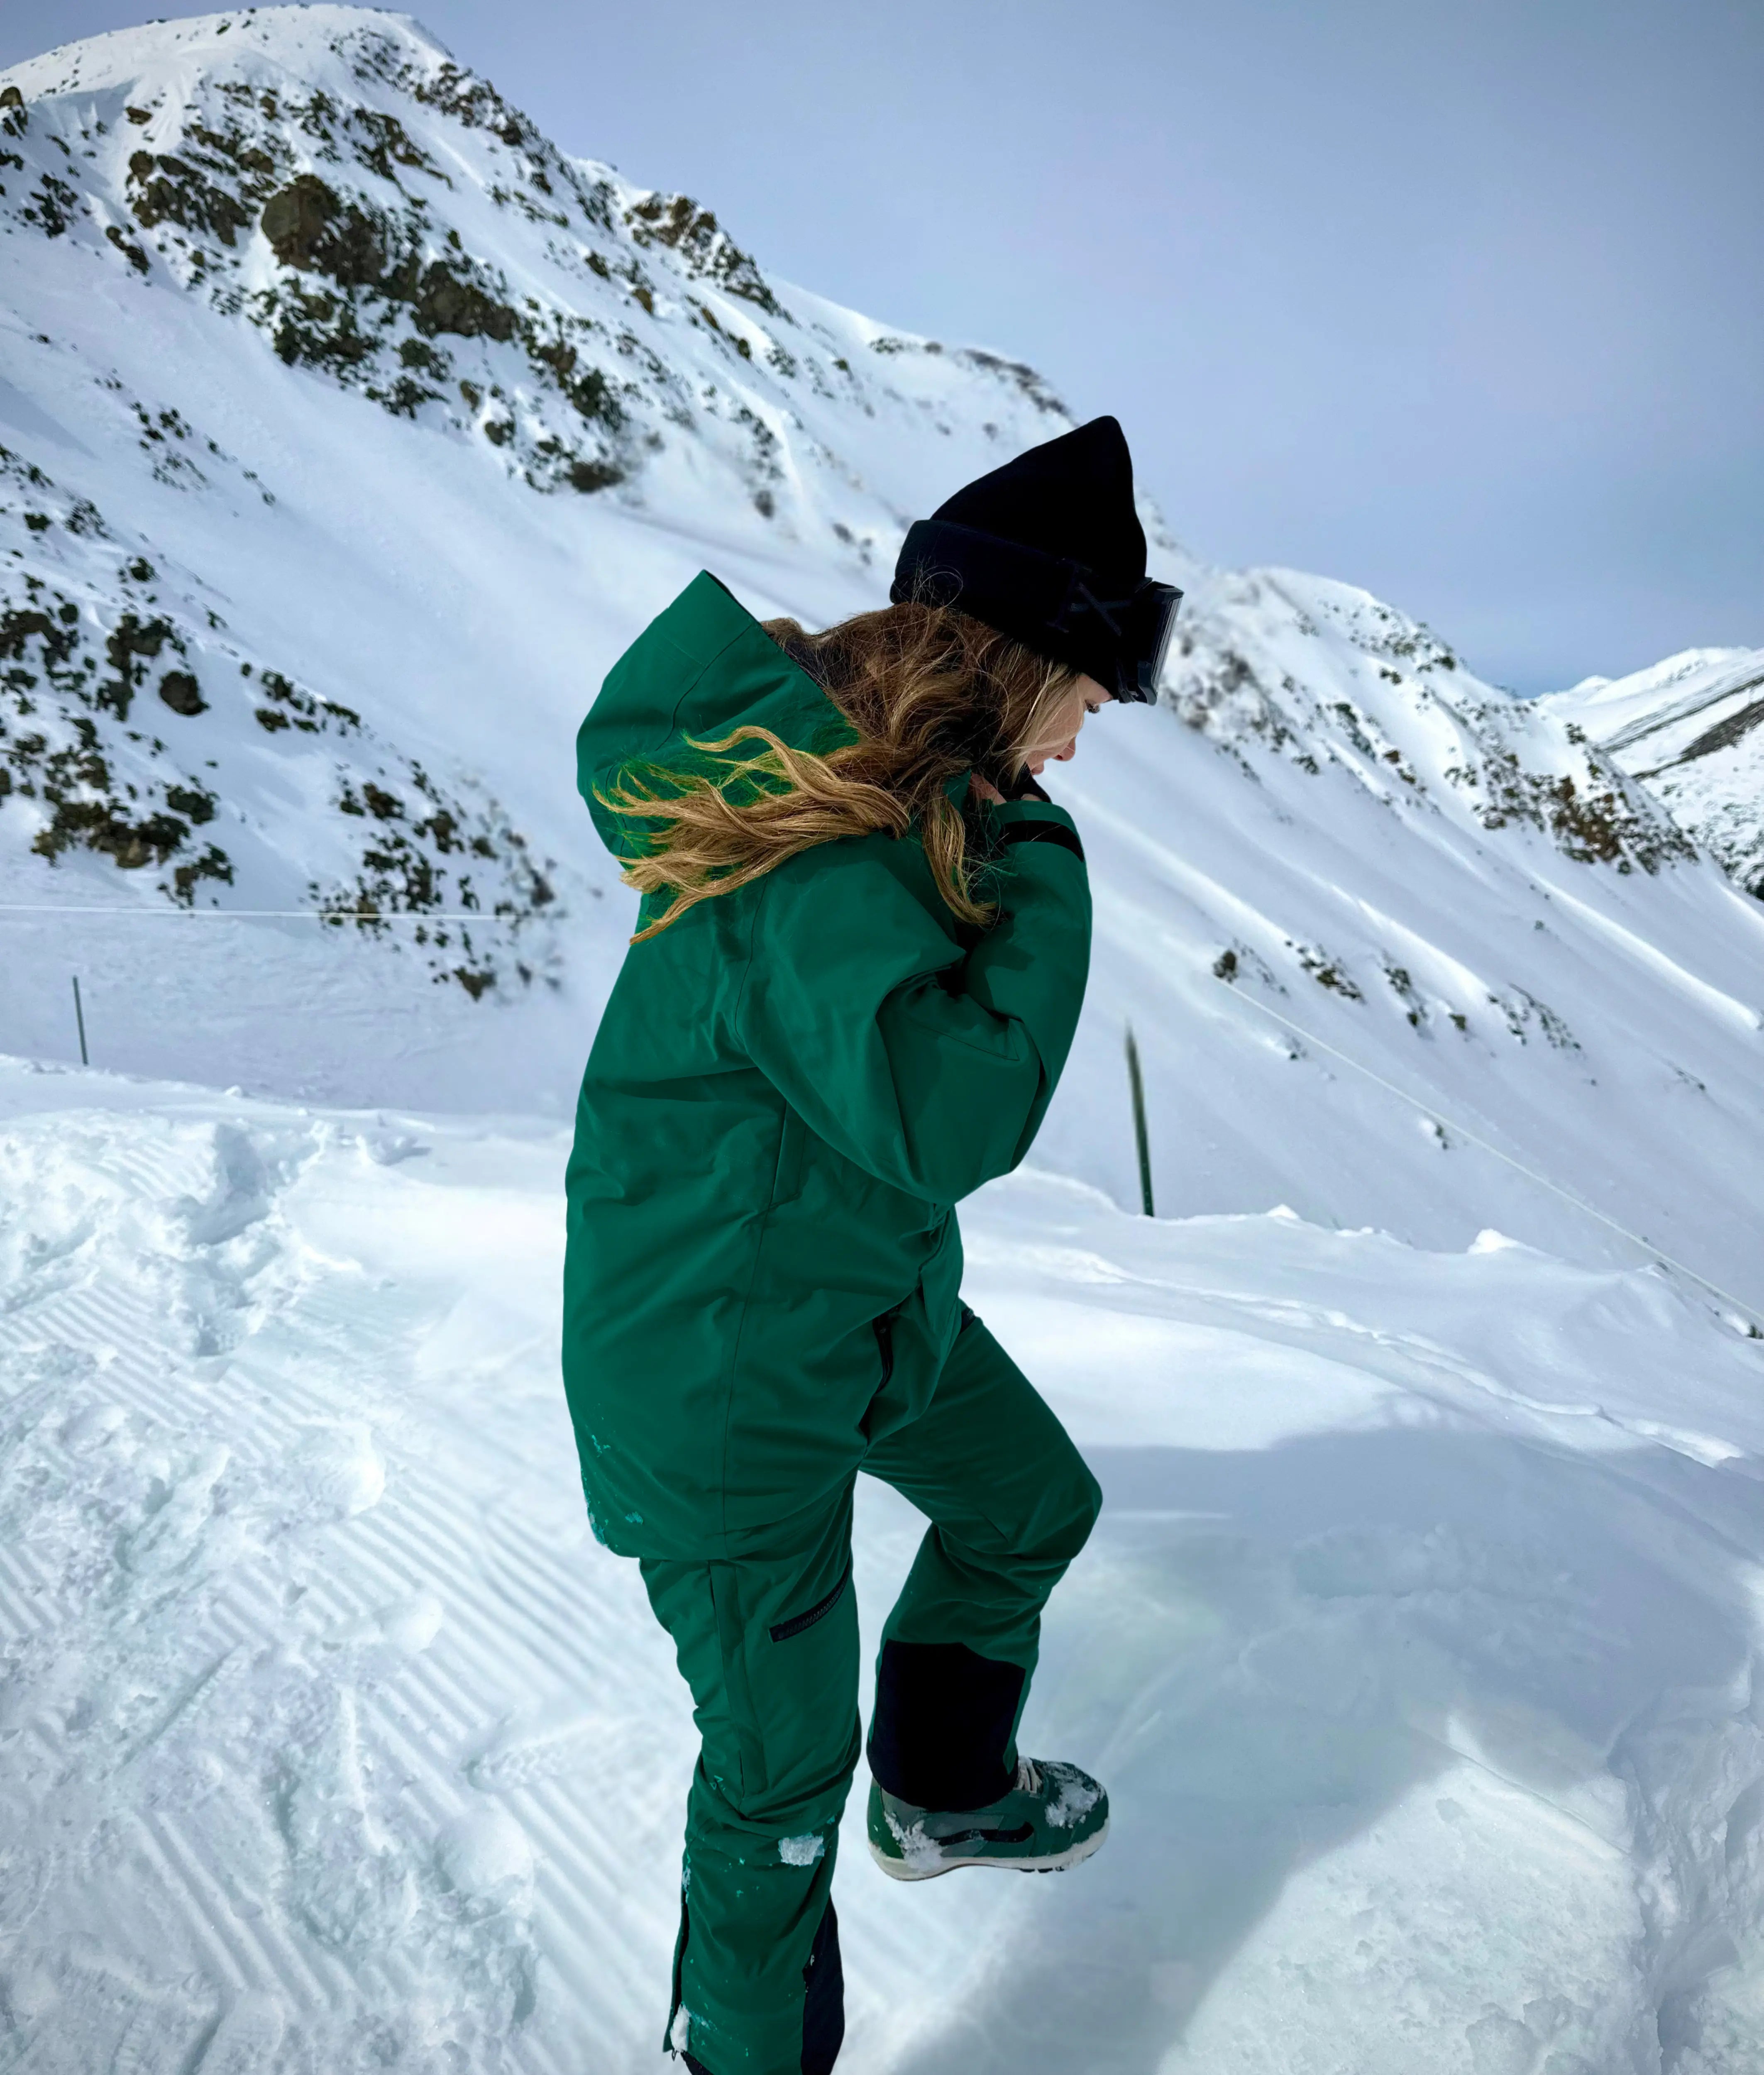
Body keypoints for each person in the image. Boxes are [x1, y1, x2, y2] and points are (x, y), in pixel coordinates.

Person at [562, 417, 1181, 2075]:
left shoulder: (884, 796)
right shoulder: (815, 842)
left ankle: (946, 1791)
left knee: (1027, 1502)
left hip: (850, 1301)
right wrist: (1043, 867)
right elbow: (943, 1114)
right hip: (716, 1372)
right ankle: (747, 2051)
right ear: (1020, 661)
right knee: (773, 1777)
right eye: (1085, 695)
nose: (1085, 739)